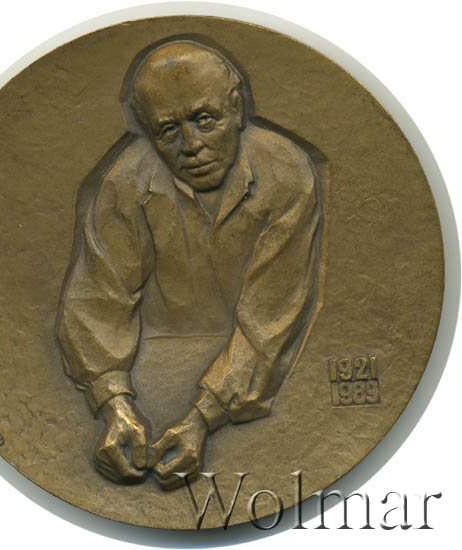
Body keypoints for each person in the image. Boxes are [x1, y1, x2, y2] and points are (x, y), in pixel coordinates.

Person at [56, 38, 324, 489]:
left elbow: (270, 319)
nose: (191, 146)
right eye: (168, 130)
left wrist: (202, 420)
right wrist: (114, 405)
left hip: (255, 389)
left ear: (236, 108)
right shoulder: (126, 182)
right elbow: (96, 299)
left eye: (205, 120)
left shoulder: (287, 173)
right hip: (152, 369)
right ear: (148, 132)